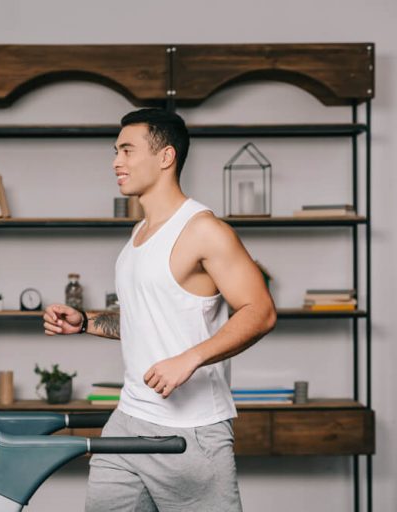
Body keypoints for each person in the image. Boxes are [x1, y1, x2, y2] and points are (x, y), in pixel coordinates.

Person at [42, 108, 277, 511]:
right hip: (128, 420)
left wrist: (190, 359)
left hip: (193, 432)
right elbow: (145, 321)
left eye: (128, 150)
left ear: (165, 157)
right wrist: (86, 323)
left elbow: (260, 311)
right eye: (116, 151)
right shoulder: (138, 234)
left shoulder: (205, 230)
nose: (116, 161)